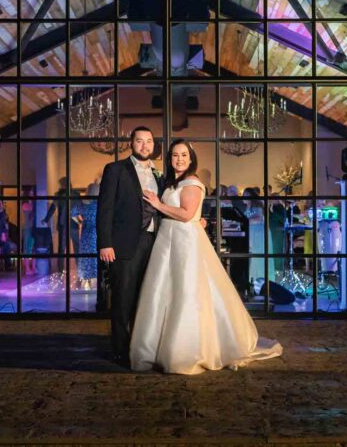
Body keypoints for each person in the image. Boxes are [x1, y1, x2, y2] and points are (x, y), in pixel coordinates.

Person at [130, 140, 283, 374]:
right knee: (163, 291)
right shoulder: (172, 183)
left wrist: (159, 204)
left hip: (184, 241)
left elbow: (186, 214)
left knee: (186, 292)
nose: (179, 159)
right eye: (175, 155)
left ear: (191, 160)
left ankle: (187, 350)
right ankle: (157, 347)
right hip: (167, 239)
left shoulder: (192, 182)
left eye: (184, 155)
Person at [97, 126, 164, 366]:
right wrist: (105, 243)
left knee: (147, 299)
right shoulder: (116, 169)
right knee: (123, 300)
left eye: (149, 141)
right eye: (139, 141)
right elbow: (104, 209)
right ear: (131, 144)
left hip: (155, 243)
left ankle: (141, 347)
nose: (145, 145)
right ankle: (120, 351)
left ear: (154, 145)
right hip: (124, 245)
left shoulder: (161, 175)